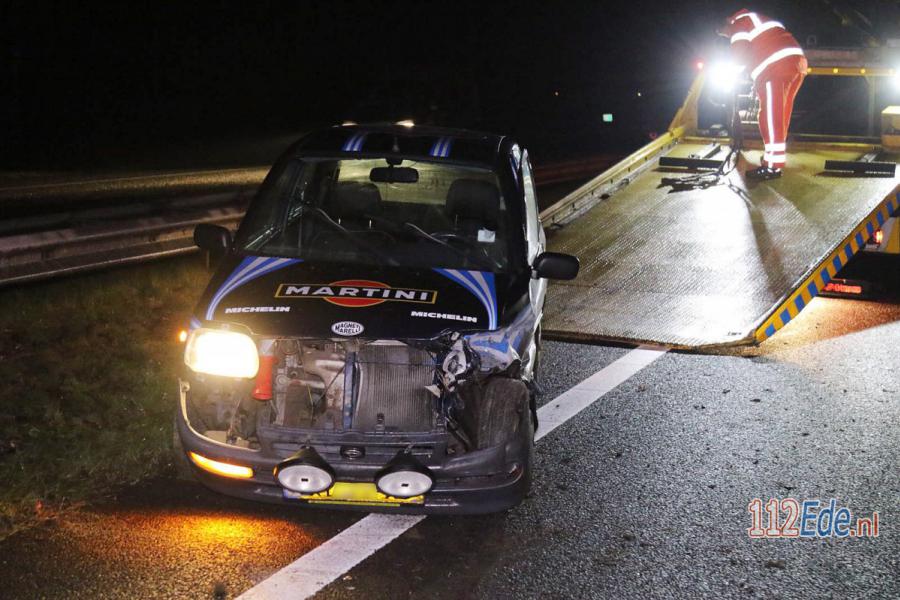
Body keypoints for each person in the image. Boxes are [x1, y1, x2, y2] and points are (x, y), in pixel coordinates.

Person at [719, 9, 807, 180]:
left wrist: (730, 78)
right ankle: (772, 160)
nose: (725, 36)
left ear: (727, 22)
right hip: (795, 64)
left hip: (775, 68)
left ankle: (772, 168)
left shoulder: (739, 24)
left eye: (723, 33)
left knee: (769, 117)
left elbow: (739, 56)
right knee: (780, 116)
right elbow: (758, 49)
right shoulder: (755, 19)